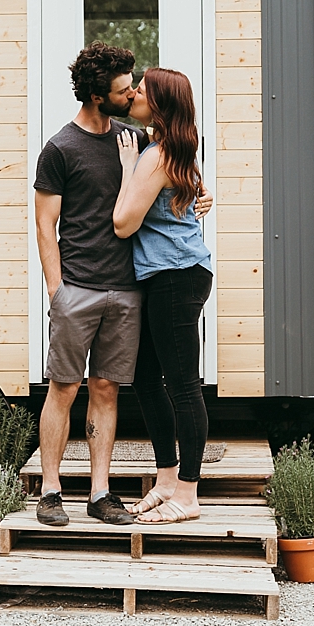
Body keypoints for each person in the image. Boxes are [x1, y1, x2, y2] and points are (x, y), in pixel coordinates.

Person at [32, 43, 212, 526]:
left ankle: (100, 494)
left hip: (132, 288)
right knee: (64, 387)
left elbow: (174, 172)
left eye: (136, 87)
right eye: (123, 89)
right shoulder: (60, 149)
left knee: (109, 388)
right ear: (96, 96)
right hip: (79, 288)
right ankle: (50, 492)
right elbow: (44, 227)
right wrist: (56, 290)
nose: (132, 92)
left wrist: (201, 193)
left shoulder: (136, 140)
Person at [112, 67, 214, 524]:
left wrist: (127, 170)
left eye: (142, 89)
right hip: (168, 273)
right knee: (148, 380)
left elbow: (123, 223)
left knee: (184, 386)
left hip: (176, 276)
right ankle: (167, 480)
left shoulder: (153, 157)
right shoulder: (169, 149)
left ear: (159, 103)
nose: (134, 93)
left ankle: (188, 496)